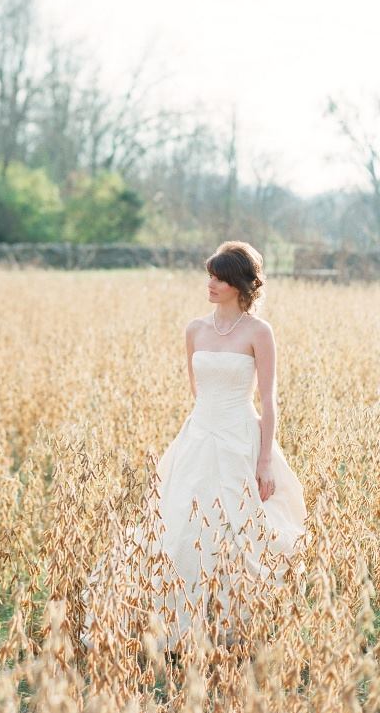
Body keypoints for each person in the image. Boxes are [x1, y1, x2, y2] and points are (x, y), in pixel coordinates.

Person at [80, 240, 307, 653]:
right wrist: (204, 425)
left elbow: (269, 400)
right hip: (198, 436)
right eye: (210, 275)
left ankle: (235, 630)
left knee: (241, 530)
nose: (211, 283)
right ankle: (173, 630)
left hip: (241, 436)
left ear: (240, 283)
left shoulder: (259, 332)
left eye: (220, 277)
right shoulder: (195, 329)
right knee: (180, 527)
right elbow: (195, 387)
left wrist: (264, 460)